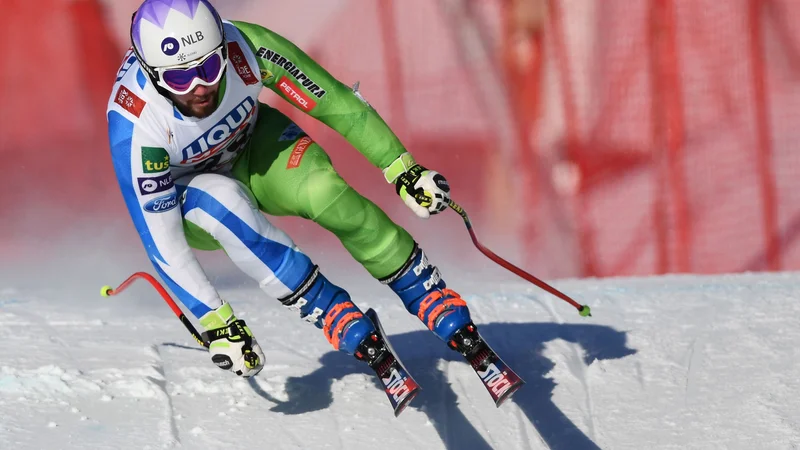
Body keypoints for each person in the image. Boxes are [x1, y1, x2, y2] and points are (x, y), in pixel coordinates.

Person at [107, 0, 473, 378]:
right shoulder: (136, 127)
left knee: (325, 192)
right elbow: (162, 241)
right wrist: (217, 322)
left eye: (210, 67)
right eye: (180, 79)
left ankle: (422, 288)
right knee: (222, 201)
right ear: (152, 73)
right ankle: (329, 309)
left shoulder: (245, 46)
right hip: (192, 197)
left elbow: (334, 101)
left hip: (250, 147)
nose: (201, 87)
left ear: (222, 49)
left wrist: (402, 169)